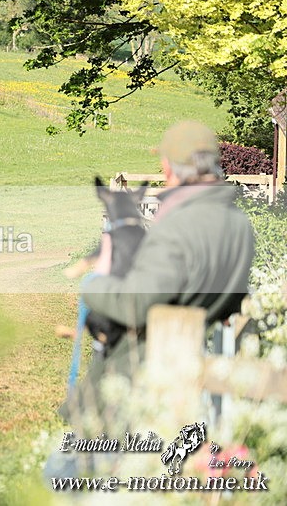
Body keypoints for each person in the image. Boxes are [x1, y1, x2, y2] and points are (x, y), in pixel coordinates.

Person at [49, 120, 255, 477]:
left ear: (169, 167)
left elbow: (136, 304)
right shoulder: (239, 225)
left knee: (64, 474)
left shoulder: (178, 224)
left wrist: (93, 284)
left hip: (140, 375)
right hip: (198, 368)